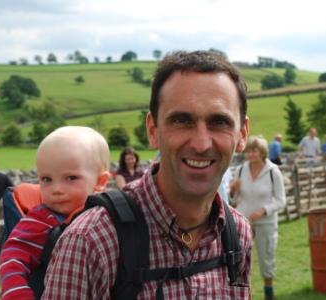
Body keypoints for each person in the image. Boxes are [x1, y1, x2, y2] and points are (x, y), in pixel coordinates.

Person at [43, 51, 252, 299]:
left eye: (219, 122)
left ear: (242, 134)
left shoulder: (237, 234)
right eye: (182, 120)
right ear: (153, 130)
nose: (201, 143)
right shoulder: (90, 242)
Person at [0, 126, 110, 299]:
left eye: (71, 178)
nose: (57, 189)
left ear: (100, 181)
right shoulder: (40, 220)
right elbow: (12, 259)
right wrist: (18, 295)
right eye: (47, 179)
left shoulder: (108, 217)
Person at [229, 136, 286, 300]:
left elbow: (281, 201)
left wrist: (264, 210)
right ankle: (244, 295)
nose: (250, 154)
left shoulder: (273, 172)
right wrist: (233, 191)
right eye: (248, 150)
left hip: (266, 223)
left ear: (262, 152)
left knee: (266, 258)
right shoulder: (240, 170)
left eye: (254, 150)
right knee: (240, 260)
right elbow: (233, 201)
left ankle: (269, 293)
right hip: (243, 222)